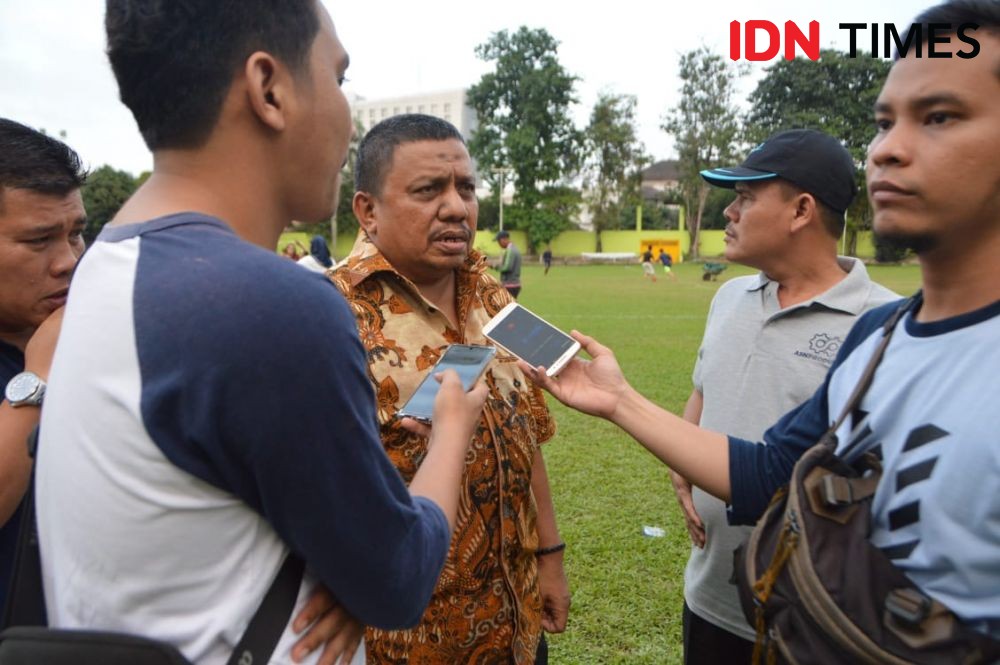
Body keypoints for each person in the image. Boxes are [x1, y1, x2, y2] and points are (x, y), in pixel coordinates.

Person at [526, 0, 1000, 643]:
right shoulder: (882, 339)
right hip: (772, 614)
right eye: (884, 123)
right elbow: (771, 475)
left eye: (939, 117)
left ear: (804, 209)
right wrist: (617, 400)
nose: (888, 150)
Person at [35, 4, 488, 665]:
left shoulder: (110, 257)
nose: (346, 113)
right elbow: (396, 580)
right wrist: (450, 431)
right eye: (338, 79)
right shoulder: (270, 305)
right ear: (269, 89)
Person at [329, 113, 570, 664]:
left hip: (516, 624)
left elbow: (527, 430)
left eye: (466, 187)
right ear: (367, 210)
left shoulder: (489, 292)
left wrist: (550, 556)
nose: (457, 207)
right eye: (428, 190)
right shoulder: (329, 315)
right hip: (409, 642)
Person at [668, 129, 898, 664]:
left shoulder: (884, 325)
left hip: (812, 616)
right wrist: (683, 465)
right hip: (708, 596)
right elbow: (704, 388)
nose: (730, 211)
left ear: (800, 211)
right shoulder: (730, 297)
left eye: (746, 197)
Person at [0, 119, 86, 617]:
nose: (69, 260)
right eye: (39, 241)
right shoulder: (52, 354)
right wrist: (40, 379)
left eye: (76, 233)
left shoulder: (92, 334)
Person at [496, 229, 523, 298]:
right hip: (515, 284)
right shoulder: (515, 248)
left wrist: (493, 265)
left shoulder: (510, 250)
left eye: (498, 241)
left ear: (503, 240)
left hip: (509, 285)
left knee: (506, 308)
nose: (498, 244)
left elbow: (507, 267)